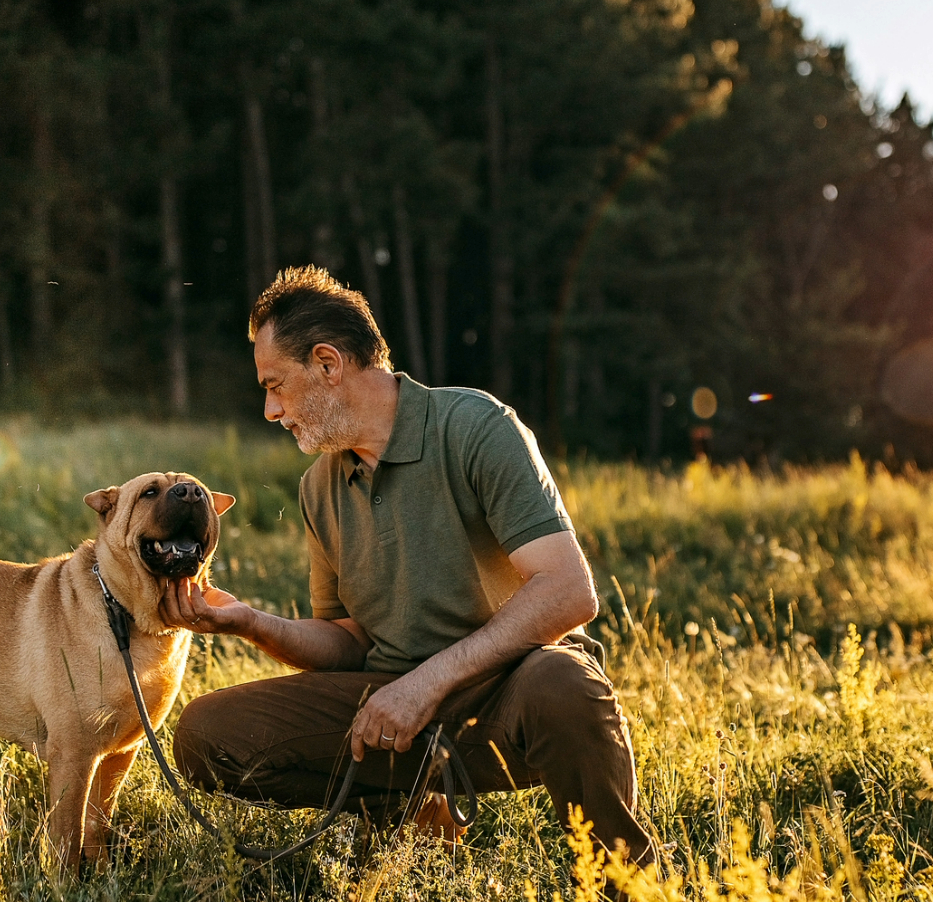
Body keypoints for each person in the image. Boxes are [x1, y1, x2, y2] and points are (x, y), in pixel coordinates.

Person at [160, 265, 655, 866]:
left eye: (275, 385)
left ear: (327, 363)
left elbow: (569, 592)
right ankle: (407, 805)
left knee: (566, 684)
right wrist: (248, 621)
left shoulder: (476, 428)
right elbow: (348, 642)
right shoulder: (320, 486)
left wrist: (426, 684)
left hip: (505, 694)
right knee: (207, 735)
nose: (270, 410)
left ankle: (624, 892)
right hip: (388, 703)